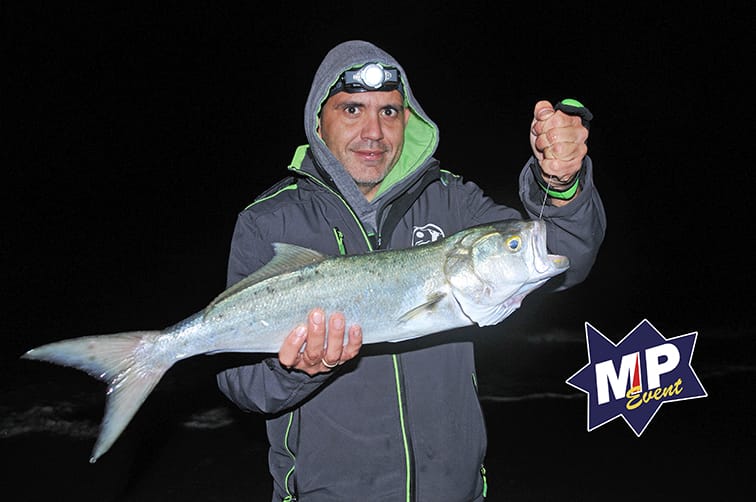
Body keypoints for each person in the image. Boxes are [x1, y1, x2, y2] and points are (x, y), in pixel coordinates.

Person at [217, 40, 606, 501]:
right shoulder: (269, 220)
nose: (373, 132)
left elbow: (565, 255)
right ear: (318, 122)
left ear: (408, 119)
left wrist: (561, 186)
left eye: (389, 112)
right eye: (352, 109)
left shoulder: (452, 201)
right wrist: (298, 370)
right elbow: (242, 383)